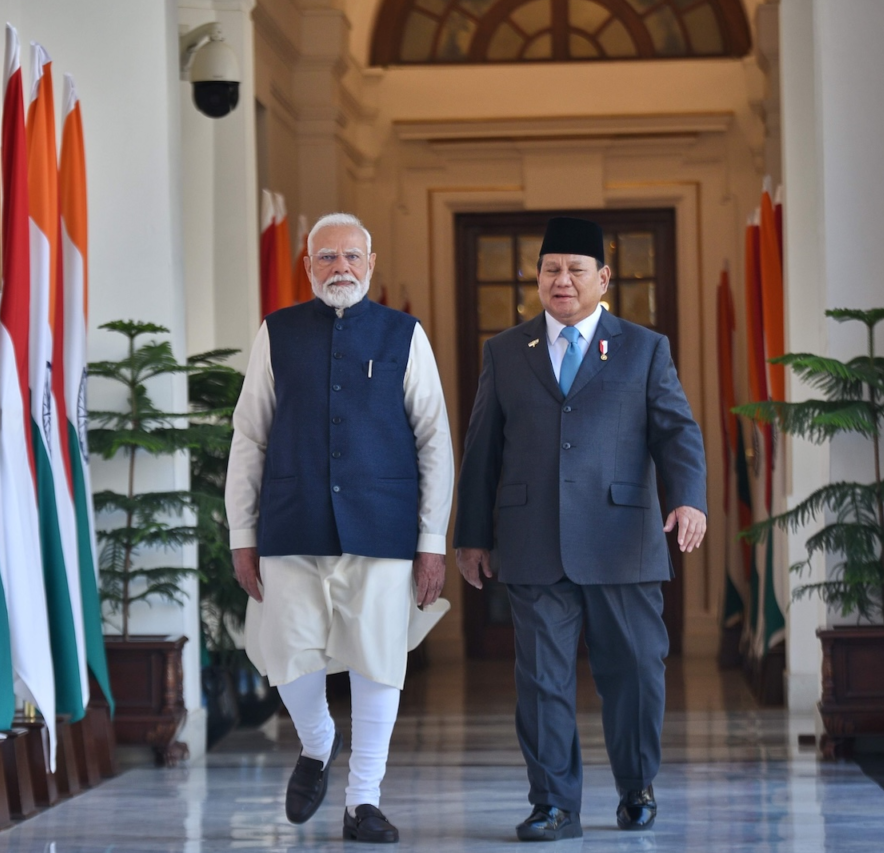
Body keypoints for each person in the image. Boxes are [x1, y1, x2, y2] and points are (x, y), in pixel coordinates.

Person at [454, 216, 707, 842]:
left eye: (574, 269)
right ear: (537, 279)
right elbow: (482, 447)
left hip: (623, 539)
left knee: (636, 674)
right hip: (532, 541)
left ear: (604, 279)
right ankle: (554, 804)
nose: (561, 280)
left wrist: (690, 500)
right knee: (540, 682)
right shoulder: (506, 351)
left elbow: (677, 431)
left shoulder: (645, 347)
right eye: (549, 269)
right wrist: (471, 535)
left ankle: (636, 788)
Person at [227, 212, 454, 844]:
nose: (341, 269)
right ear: (307, 266)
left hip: (382, 528)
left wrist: (430, 542)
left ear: (371, 264)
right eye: (326, 258)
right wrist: (240, 535)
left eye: (352, 257)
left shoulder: (404, 334)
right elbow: (250, 436)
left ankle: (363, 803)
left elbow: (434, 438)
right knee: (288, 653)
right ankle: (319, 740)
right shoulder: (277, 333)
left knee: (377, 663)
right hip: (291, 522)